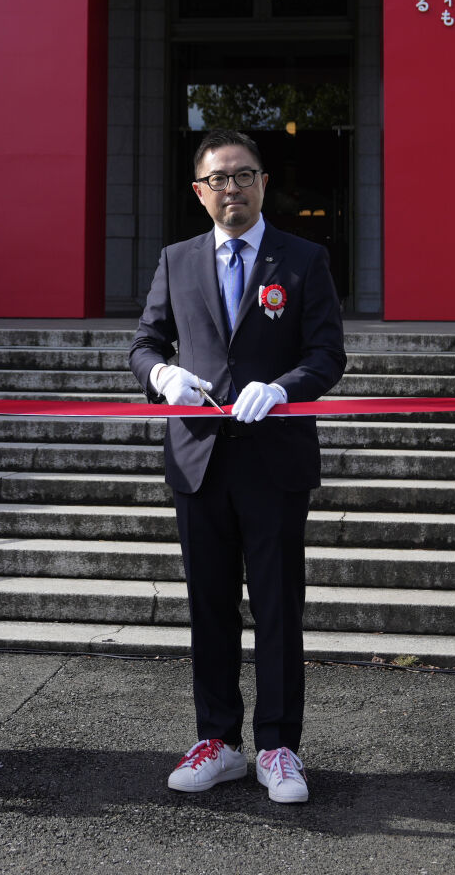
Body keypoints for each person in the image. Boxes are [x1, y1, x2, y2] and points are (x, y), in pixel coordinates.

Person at [129, 128, 346, 805]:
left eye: (244, 175)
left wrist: (282, 386)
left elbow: (326, 354)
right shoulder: (177, 259)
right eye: (218, 179)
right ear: (199, 192)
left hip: (273, 458)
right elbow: (144, 343)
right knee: (209, 606)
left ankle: (279, 746)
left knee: (278, 607)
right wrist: (160, 374)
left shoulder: (303, 258)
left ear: (262, 184)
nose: (232, 188)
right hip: (198, 456)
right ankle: (217, 740)